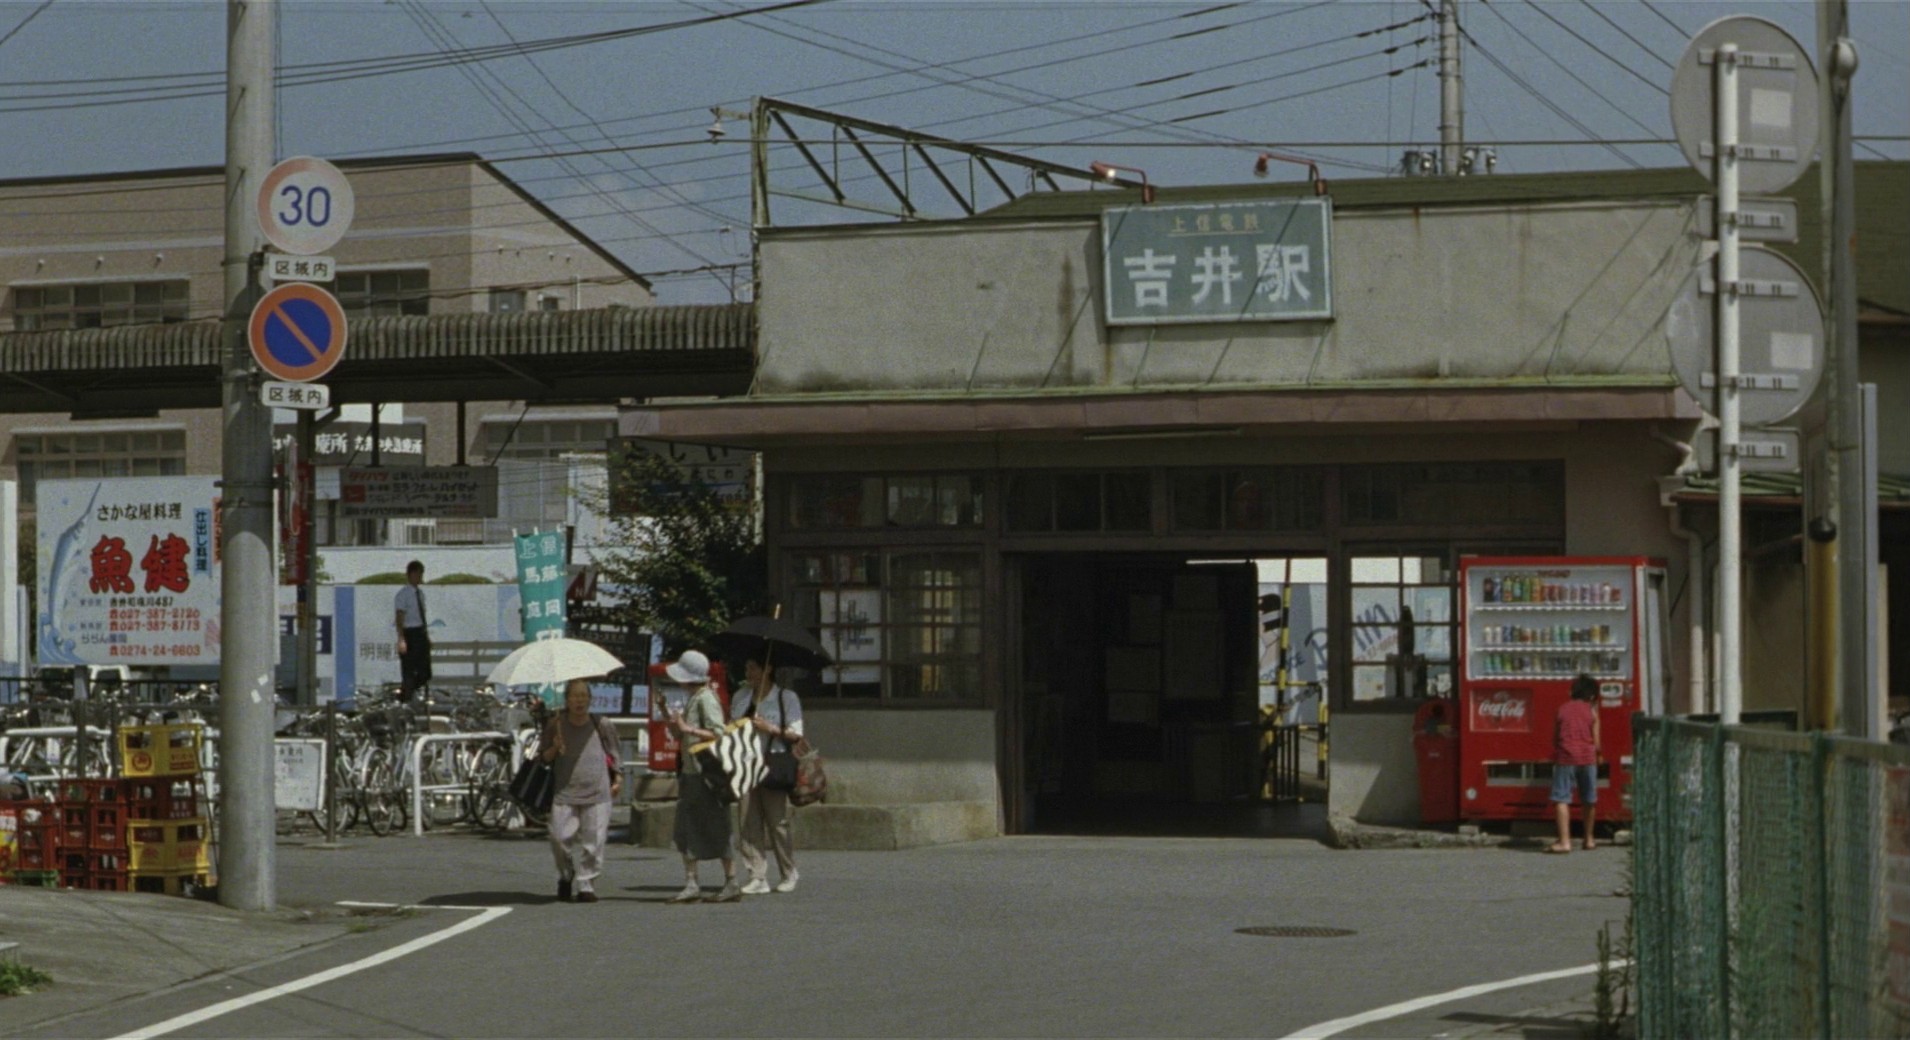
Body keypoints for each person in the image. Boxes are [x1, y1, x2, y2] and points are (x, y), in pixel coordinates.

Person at [662, 650, 741, 903]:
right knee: (687, 828)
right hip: (691, 771)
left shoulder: (706, 698)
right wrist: (667, 715)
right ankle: (692, 881)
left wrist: (689, 728)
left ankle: (729, 881)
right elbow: (682, 735)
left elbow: (719, 732)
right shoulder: (694, 697)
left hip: (705, 773)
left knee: (716, 825)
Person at [538, 678, 622, 901]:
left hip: (597, 790)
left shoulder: (601, 723)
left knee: (594, 842)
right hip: (565, 791)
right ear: (566, 699)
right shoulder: (555, 724)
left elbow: (614, 753)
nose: (579, 701)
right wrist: (555, 746)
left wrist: (618, 777)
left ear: (590, 699)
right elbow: (543, 758)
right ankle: (566, 874)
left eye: (584, 696)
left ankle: (586, 884)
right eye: (575, 696)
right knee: (558, 838)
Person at [730, 648, 803, 894]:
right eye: (747, 668)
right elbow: (731, 728)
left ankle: (788, 871)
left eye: (753, 667)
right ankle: (757, 875)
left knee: (777, 822)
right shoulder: (741, 696)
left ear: (767, 669)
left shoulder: (786, 697)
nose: (748, 673)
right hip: (746, 762)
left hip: (773, 762)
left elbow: (795, 733)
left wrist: (770, 727)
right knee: (747, 821)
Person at [1547, 674, 1602, 854]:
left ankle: (1564, 842)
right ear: (1592, 696)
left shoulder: (1562, 709)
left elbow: (1555, 738)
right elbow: (1597, 742)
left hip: (1566, 758)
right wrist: (1599, 756)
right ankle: (1589, 839)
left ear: (1572, 691)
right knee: (1589, 799)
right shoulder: (1592, 712)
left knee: (1562, 799)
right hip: (1587, 758)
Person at [393, 561, 431, 700]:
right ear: (412, 574)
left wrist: (426, 636)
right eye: (419, 574)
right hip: (409, 633)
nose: (420, 577)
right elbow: (399, 617)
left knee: (425, 673)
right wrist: (401, 638)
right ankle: (405, 697)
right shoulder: (403, 594)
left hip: (420, 632)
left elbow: (422, 616)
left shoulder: (420, 594)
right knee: (409, 671)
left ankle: (404, 693)